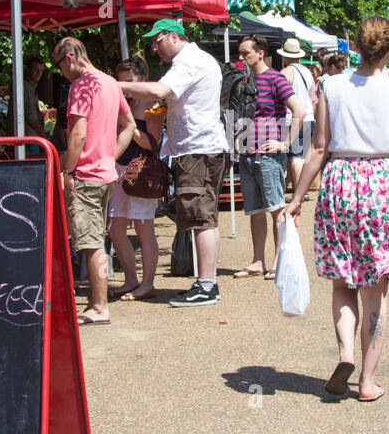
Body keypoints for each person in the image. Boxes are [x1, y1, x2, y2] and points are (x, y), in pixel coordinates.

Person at [290, 16, 389, 402]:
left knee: (343, 283)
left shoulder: (332, 86)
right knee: (376, 291)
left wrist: (296, 198)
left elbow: (319, 149)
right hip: (380, 185)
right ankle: (367, 382)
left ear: (355, 47)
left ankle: (345, 354)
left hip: (339, 180)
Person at [120, 19, 228, 307]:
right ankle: (206, 282)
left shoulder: (188, 62)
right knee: (202, 217)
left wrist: (116, 84)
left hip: (198, 150)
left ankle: (206, 286)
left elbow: (158, 92)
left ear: (173, 37)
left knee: (201, 218)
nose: (154, 48)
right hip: (198, 149)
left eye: (157, 41)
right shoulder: (193, 60)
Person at [56, 37, 135, 326]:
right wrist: (110, 155)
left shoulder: (81, 86)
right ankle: (97, 303)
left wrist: (68, 171)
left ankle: (99, 306)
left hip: (87, 175)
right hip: (105, 174)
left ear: (68, 58)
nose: (61, 73)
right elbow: (129, 126)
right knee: (97, 239)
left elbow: (77, 133)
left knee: (91, 243)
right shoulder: (111, 83)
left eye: (59, 66)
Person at [233, 35, 306, 278]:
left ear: (260, 53)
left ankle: (279, 261)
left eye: (246, 53)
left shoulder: (275, 78)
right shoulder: (245, 81)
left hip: (268, 155)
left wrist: (285, 143)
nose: (241, 58)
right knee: (254, 210)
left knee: (276, 208)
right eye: (240, 53)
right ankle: (257, 261)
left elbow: (300, 110)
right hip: (248, 152)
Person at [108, 56, 165, 301]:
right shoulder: (120, 102)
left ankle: (147, 283)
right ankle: (130, 279)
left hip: (142, 172)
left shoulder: (152, 103)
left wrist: (130, 126)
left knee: (144, 228)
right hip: (119, 167)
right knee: (114, 229)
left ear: (141, 79)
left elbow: (153, 143)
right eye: (120, 81)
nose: (124, 86)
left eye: (128, 81)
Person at [279, 37, 316, 191]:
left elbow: (280, 98)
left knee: (295, 158)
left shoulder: (285, 73)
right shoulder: (307, 72)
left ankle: (299, 191)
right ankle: (302, 188)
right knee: (303, 157)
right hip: (309, 118)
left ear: (285, 55)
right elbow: (313, 98)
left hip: (292, 119)